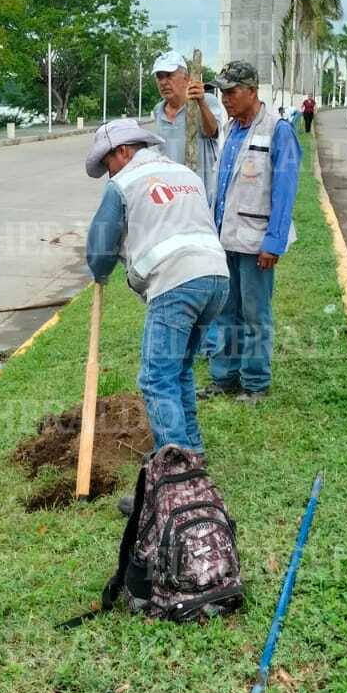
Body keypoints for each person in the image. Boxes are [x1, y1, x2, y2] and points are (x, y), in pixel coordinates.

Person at [85, 119, 229, 461]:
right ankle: (192, 451)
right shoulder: (184, 173)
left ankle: (175, 468)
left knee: (156, 377)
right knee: (179, 370)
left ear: (122, 152)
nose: (109, 174)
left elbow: (99, 251)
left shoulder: (123, 183)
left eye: (108, 165)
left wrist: (100, 272)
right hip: (216, 278)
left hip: (176, 284)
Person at [202, 61, 302, 403]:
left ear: (252, 90)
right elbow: (222, 189)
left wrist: (273, 242)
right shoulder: (231, 130)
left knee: (255, 315)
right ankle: (224, 377)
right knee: (224, 312)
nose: (226, 99)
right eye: (222, 92)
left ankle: (255, 383)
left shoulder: (278, 129)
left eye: (232, 92)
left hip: (257, 241)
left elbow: (285, 192)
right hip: (225, 239)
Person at [151, 50, 223, 201]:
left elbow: (212, 132)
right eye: (159, 77)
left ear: (187, 78)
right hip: (170, 197)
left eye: (169, 75)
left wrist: (201, 103)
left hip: (201, 195)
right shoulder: (158, 110)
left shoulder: (207, 101)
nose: (164, 82)